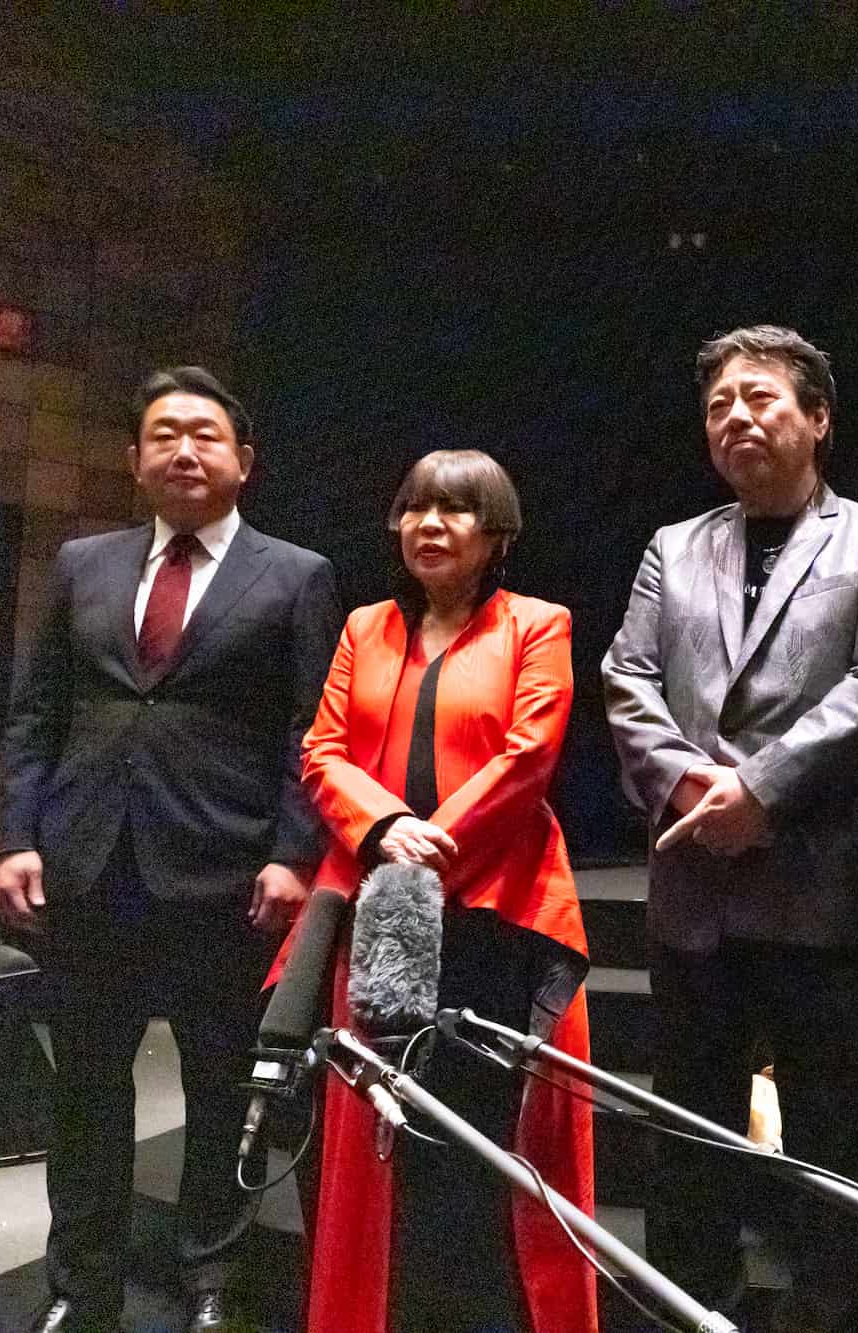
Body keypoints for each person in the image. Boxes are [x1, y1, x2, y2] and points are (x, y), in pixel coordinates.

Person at [0, 366, 341, 1333]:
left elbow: (312, 730)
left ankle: (212, 1283)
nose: (184, 450)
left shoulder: (296, 574)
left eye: (205, 435)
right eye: (164, 434)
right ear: (134, 458)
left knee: (219, 1090)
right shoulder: (82, 564)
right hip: (87, 865)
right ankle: (80, 1287)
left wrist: (293, 853)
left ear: (244, 461)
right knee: (86, 1091)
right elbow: (35, 713)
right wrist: (15, 836)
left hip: (226, 874)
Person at [602, 324, 858, 1330]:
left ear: (817, 418)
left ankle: (828, 1319)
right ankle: (691, 1310)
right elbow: (626, 679)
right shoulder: (672, 546)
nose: (735, 417)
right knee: (686, 1137)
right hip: (694, 893)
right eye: (718, 405)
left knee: (835, 1139)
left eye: (759, 398)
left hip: (821, 892)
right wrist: (692, 788)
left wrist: (759, 791)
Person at [297, 449, 595, 1333]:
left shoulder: (537, 623)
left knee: (479, 1134)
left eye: (456, 509)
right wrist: (386, 829)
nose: (430, 524)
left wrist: (430, 846)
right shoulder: (364, 627)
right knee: (379, 1131)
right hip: (379, 906)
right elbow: (323, 751)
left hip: (494, 909)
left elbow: (529, 756)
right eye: (415, 508)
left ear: (496, 534)